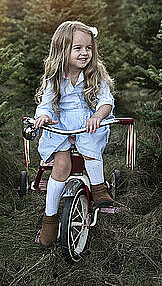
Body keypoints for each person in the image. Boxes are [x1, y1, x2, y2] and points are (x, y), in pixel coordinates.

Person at [33, 20, 115, 248]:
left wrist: (98, 116)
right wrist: (44, 116)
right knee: (61, 165)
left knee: (89, 145)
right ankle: (49, 220)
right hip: (62, 123)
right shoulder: (55, 77)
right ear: (62, 50)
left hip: (86, 122)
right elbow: (46, 103)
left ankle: (99, 191)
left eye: (88, 48)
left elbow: (106, 101)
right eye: (77, 48)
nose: (84, 53)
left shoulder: (94, 74)